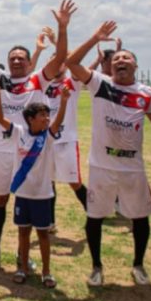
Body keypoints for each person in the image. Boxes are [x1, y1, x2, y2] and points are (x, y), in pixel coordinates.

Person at [0, 0, 74, 272]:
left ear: (28, 63)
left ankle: (22, 255)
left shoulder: (38, 78)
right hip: (2, 149)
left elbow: (60, 57)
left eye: (21, 58)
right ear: (7, 62)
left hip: (30, 153)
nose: (16, 61)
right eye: (12, 57)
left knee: (26, 204)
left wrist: (62, 28)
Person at [65, 22, 151, 286]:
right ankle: (97, 267)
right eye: (118, 58)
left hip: (133, 167)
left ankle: (138, 265)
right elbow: (71, 62)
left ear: (135, 66)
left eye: (127, 58)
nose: (121, 60)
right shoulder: (100, 83)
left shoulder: (145, 93)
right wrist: (95, 38)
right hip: (101, 166)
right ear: (111, 66)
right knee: (95, 216)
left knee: (139, 217)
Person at [0, 83, 69, 288]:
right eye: (42, 115)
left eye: (47, 115)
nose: (47, 119)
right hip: (23, 194)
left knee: (43, 234)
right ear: (30, 119)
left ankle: (46, 271)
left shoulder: (49, 136)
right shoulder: (19, 132)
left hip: (43, 195)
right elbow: (0, 119)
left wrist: (63, 102)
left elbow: (59, 120)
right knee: (23, 233)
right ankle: (23, 267)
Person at [44, 64, 87, 231]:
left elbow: (75, 62)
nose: (56, 66)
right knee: (48, 182)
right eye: (54, 61)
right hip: (48, 141)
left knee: (74, 182)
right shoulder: (45, 86)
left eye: (60, 62)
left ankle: (93, 212)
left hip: (66, 140)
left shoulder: (72, 83)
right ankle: (50, 222)